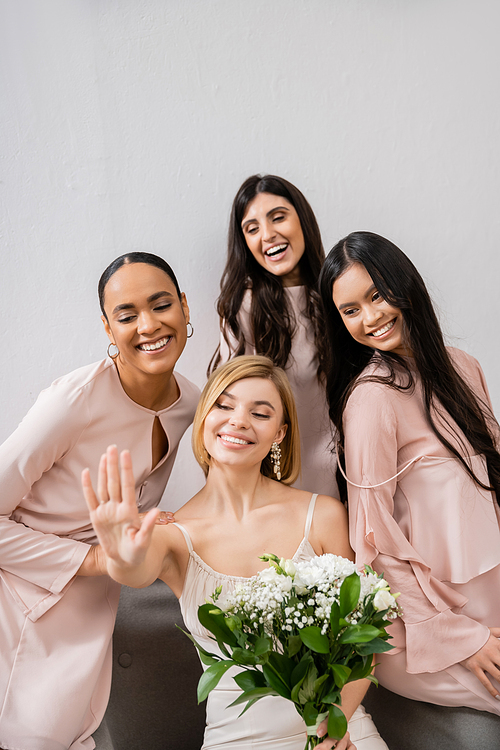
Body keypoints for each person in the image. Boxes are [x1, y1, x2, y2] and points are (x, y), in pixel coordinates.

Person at [83, 355, 388, 750]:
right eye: (223, 406)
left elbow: (364, 636)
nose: (238, 420)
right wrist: (120, 553)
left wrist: (338, 721)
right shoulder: (175, 533)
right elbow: (136, 570)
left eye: (259, 414)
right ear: (204, 417)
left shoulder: (323, 515)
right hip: (238, 740)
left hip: (342, 733)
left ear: (279, 434)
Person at [0, 252, 200, 750]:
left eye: (161, 305)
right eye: (127, 315)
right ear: (109, 329)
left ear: (185, 308)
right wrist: (91, 559)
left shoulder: (192, 404)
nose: (148, 325)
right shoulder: (73, 401)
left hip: (94, 610)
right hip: (21, 598)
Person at [318, 231, 500, 747]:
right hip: (427, 633)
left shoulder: (464, 367)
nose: (369, 318)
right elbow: (374, 549)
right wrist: (462, 640)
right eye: (349, 311)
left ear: (404, 285)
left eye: (376, 295)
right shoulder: (372, 400)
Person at [210, 174, 337, 497]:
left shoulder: (337, 296)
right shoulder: (244, 307)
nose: (267, 235)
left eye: (278, 217)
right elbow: (225, 408)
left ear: (303, 220)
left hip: (344, 470)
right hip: (273, 477)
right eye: (251, 228)